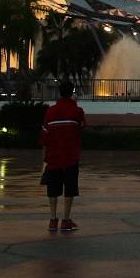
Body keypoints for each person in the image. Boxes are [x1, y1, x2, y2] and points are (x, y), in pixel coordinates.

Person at [40, 81, 87, 231]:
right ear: (72, 92)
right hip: (70, 156)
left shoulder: (51, 111)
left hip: (53, 156)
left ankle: (53, 219)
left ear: (59, 93)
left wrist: (44, 159)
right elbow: (82, 127)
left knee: (53, 189)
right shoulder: (77, 111)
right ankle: (66, 220)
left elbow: (44, 136)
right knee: (70, 188)